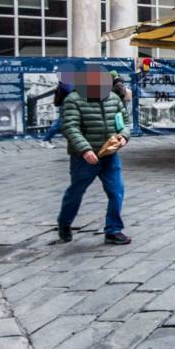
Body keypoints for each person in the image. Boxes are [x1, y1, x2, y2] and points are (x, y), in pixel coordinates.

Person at [57, 70, 131, 244]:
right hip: (83, 158)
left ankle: (113, 230)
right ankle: (64, 223)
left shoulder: (113, 99)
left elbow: (125, 123)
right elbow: (70, 127)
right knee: (76, 191)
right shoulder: (73, 100)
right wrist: (84, 149)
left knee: (116, 191)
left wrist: (123, 136)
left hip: (109, 154)